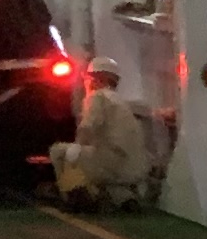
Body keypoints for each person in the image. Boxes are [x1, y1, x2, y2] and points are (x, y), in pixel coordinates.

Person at [50, 57, 156, 211]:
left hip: (111, 164)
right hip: (135, 167)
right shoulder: (121, 102)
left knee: (58, 151)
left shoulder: (97, 97)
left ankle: (74, 196)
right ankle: (125, 199)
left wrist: (77, 146)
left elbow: (88, 127)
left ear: (96, 78)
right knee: (106, 169)